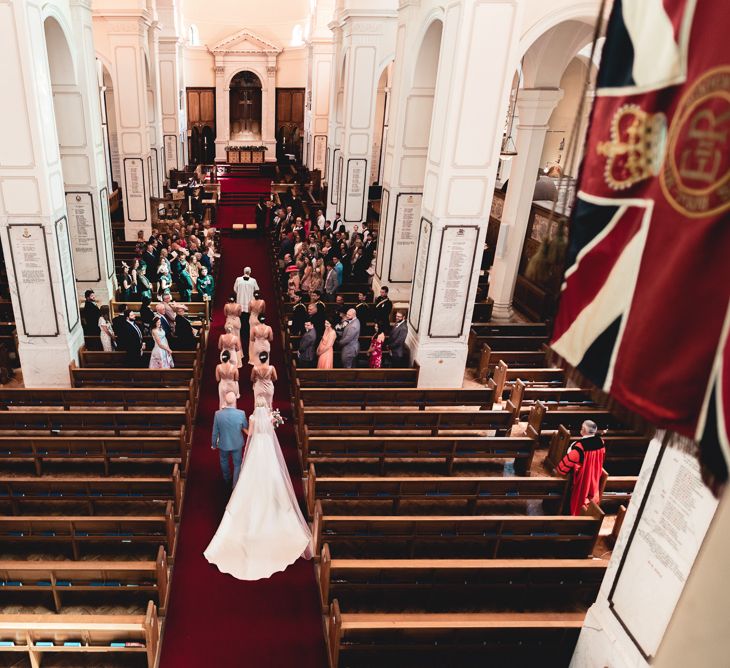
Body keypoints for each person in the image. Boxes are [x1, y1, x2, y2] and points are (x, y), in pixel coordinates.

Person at [204, 396, 312, 580]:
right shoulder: (270, 418)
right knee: (272, 475)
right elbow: (269, 433)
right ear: (267, 407)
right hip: (267, 449)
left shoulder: (253, 418)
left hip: (256, 450)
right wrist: (270, 423)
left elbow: (250, 434)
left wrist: (243, 428)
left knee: (250, 475)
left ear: (256, 406)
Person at [557, 420, 606, 516]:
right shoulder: (601, 442)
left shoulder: (579, 446)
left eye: (582, 427)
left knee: (580, 494)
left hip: (584, 475)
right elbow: (601, 457)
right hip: (595, 472)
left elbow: (569, 461)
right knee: (591, 491)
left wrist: (559, 470)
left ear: (583, 430)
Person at [210, 391, 249, 487]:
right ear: (235, 401)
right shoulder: (241, 413)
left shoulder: (218, 414)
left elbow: (215, 432)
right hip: (237, 443)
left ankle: (227, 478)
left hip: (224, 444)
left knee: (224, 461)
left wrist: (214, 444)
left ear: (225, 401)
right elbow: (245, 426)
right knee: (237, 464)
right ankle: (235, 484)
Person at [234, 267, 259, 345]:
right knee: (248, 321)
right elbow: (257, 290)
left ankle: (242, 334)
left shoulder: (238, 279)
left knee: (242, 320)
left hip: (240, 302)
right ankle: (247, 334)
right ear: (250, 272)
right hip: (249, 303)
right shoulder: (253, 280)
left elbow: (235, 289)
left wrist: (240, 293)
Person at [248, 291, 266, 361]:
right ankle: (259, 354)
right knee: (259, 336)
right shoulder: (262, 302)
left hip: (252, 319)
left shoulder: (251, 302)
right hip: (259, 319)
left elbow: (249, 311)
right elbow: (263, 311)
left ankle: (252, 357)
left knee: (252, 337)